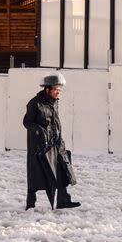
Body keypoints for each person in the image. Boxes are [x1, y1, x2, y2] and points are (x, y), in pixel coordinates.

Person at [22, 72, 80, 210]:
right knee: (35, 175)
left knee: (62, 169)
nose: (58, 92)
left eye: (59, 90)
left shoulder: (53, 103)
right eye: (55, 89)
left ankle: (63, 200)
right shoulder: (35, 103)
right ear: (47, 89)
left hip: (56, 143)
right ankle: (30, 204)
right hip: (40, 147)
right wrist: (39, 130)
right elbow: (26, 122)